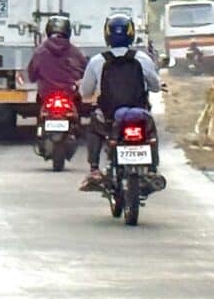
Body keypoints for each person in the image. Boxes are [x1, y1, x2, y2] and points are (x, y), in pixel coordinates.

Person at [78, 13, 161, 189]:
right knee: (151, 130)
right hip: (138, 115)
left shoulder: (97, 61)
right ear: (131, 34)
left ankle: (94, 169)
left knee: (93, 128)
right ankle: (153, 168)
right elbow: (155, 86)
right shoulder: (143, 59)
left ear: (107, 35)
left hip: (108, 117)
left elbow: (85, 91)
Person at [24, 15, 86, 97]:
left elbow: (32, 77)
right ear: (68, 31)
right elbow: (85, 72)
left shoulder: (39, 52)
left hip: (46, 95)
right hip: (70, 94)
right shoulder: (75, 52)